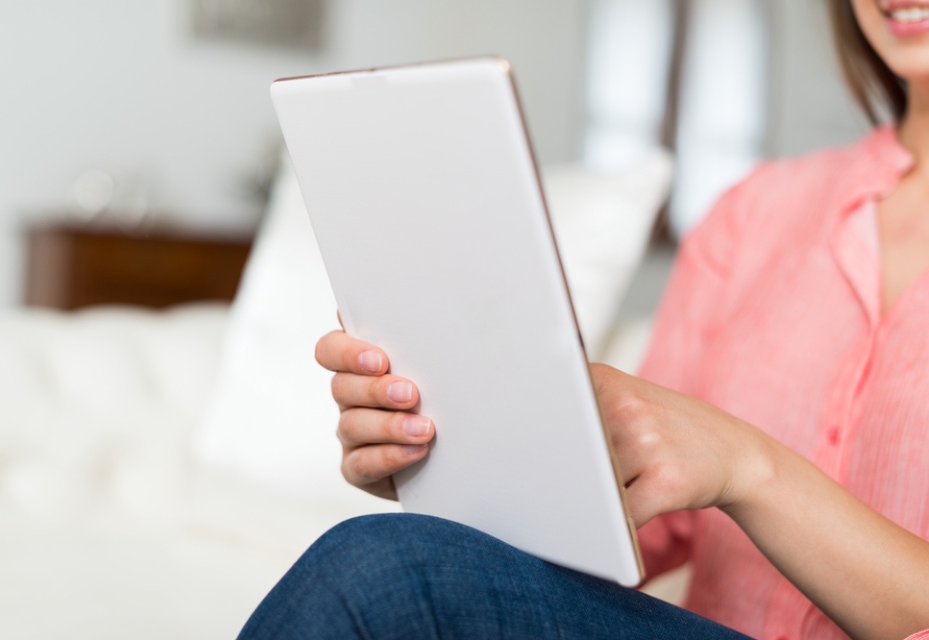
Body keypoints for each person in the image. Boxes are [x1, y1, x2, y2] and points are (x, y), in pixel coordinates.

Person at [238, 1, 929, 638]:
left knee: (380, 574)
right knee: (390, 569)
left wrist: (749, 466)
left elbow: (728, 458)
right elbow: (630, 533)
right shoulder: (752, 216)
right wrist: (451, 456)